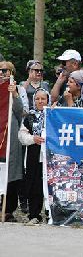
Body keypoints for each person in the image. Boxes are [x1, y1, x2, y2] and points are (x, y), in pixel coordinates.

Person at [18, 88, 50, 224]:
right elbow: (21, 135)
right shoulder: (29, 117)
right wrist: (32, 139)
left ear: (48, 100)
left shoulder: (54, 115)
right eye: (37, 99)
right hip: (33, 154)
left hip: (49, 155)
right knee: (34, 184)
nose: (40, 101)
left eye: (43, 98)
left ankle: (50, 213)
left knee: (49, 184)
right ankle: (34, 214)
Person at [0, 61, 24, 222]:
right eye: (0, 70)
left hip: (10, 134)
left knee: (10, 173)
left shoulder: (17, 88)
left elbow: (21, 111)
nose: (2, 73)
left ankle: (8, 210)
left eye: (5, 70)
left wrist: (14, 94)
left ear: (11, 72)